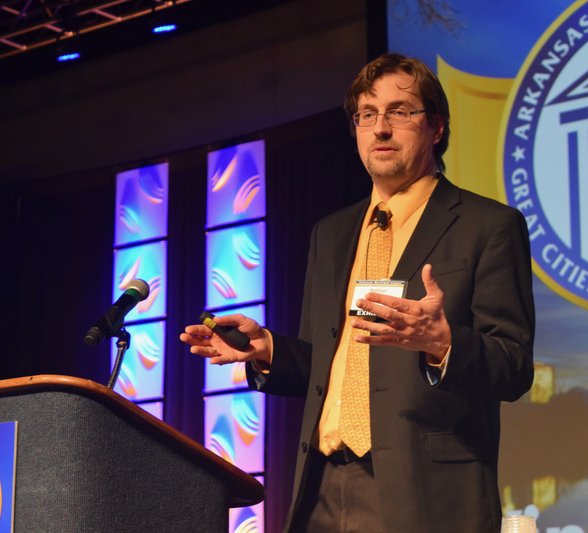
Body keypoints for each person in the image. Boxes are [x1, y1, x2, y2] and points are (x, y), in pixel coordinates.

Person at [180, 53, 534, 533]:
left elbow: (512, 366)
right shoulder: (331, 233)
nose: (380, 129)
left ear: (437, 128)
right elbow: (332, 363)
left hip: (426, 494)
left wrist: (442, 342)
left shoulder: (487, 226)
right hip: (323, 488)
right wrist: (268, 350)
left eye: (400, 112)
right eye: (367, 115)